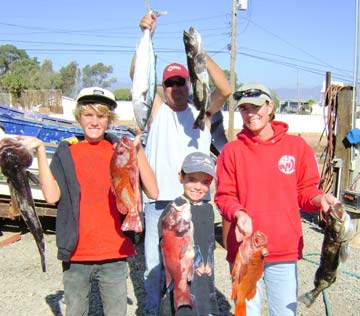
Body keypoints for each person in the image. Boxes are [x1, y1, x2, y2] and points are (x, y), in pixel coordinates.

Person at [17, 87, 159, 316]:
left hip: (115, 253)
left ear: (109, 119)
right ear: (78, 117)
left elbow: (153, 191)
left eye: (101, 116)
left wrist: (138, 150)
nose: (94, 122)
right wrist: (41, 151)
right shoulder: (67, 151)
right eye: (88, 115)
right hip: (76, 254)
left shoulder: (120, 149)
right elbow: (52, 197)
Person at [130, 12, 232, 316]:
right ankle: (154, 311)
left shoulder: (202, 114)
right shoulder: (156, 110)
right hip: (158, 202)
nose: (176, 87)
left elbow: (224, 90)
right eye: (170, 82)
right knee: (154, 269)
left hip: (193, 204)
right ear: (163, 86)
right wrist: (145, 35)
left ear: (190, 82)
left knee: (192, 267)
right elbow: (138, 75)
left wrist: (199, 55)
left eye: (181, 81)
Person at [214, 82, 340, 316]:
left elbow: (305, 192)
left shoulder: (297, 147)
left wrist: (320, 199)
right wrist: (239, 213)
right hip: (245, 250)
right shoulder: (231, 151)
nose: (250, 114)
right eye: (244, 109)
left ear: (270, 106)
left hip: (283, 249)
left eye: (256, 107)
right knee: (245, 311)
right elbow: (224, 196)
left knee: (284, 312)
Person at [159, 151, 219, 316]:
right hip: (180, 274)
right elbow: (165, 245)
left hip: (203, 279)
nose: (198, 187)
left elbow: (209, 245)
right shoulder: (174, 209)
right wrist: (180, 222)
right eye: (192, 179)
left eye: (205, 182)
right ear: (181, 177)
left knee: (203, 307)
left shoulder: (208, 209)